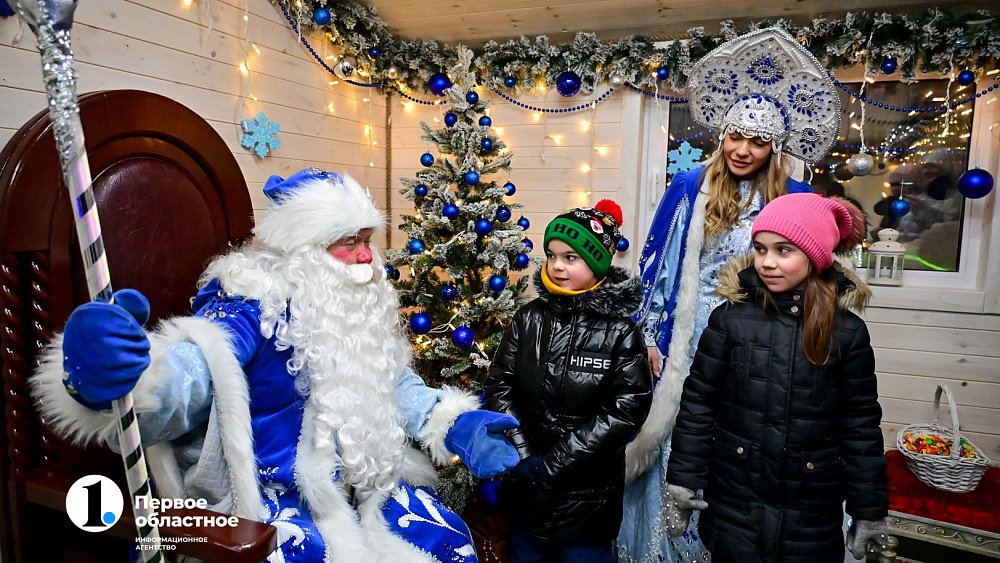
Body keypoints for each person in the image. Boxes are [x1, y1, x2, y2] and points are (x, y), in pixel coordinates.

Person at [32, 169, 521, 563]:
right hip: (273, 501)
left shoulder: (354, 309)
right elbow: (193, 376)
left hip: (364, 485)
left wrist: (455, 423)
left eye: (367, 238)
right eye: (347, 242)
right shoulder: (250, 305)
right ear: (302, 248)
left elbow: (391, 383)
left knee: (445, 538)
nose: (366, 257)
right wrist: (123, 380)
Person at [617, 28, 843, 562]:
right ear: (720, 132)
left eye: (758, 141)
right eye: (734, 135)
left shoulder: (796, 197)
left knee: (753, 431)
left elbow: (816, 274)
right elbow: (660, 269)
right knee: (687, 428)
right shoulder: (689, 187)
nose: (742, 149)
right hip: (694, 335)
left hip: (770, 337)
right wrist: (649, 334)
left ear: (777, 147)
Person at [664, 192, 887, 562]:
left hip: (809, 509)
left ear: (815, 256)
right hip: (735, 501)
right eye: (761, 249)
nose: (767, 262)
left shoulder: (846, 333)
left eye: (784, 250)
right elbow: (699, 405)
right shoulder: (729, 320)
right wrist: (682, 479)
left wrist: (869, 508)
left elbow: (860, 424)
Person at [483, 200, 654, 563]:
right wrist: (524, 453)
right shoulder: (529, 318)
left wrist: (556, 462)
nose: (557, 265)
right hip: (528, 490)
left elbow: (626, 409)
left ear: (596, 265)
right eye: (552, 255)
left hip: (587, 501)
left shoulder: (620, 332)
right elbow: (500, 383)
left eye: (571, 257)